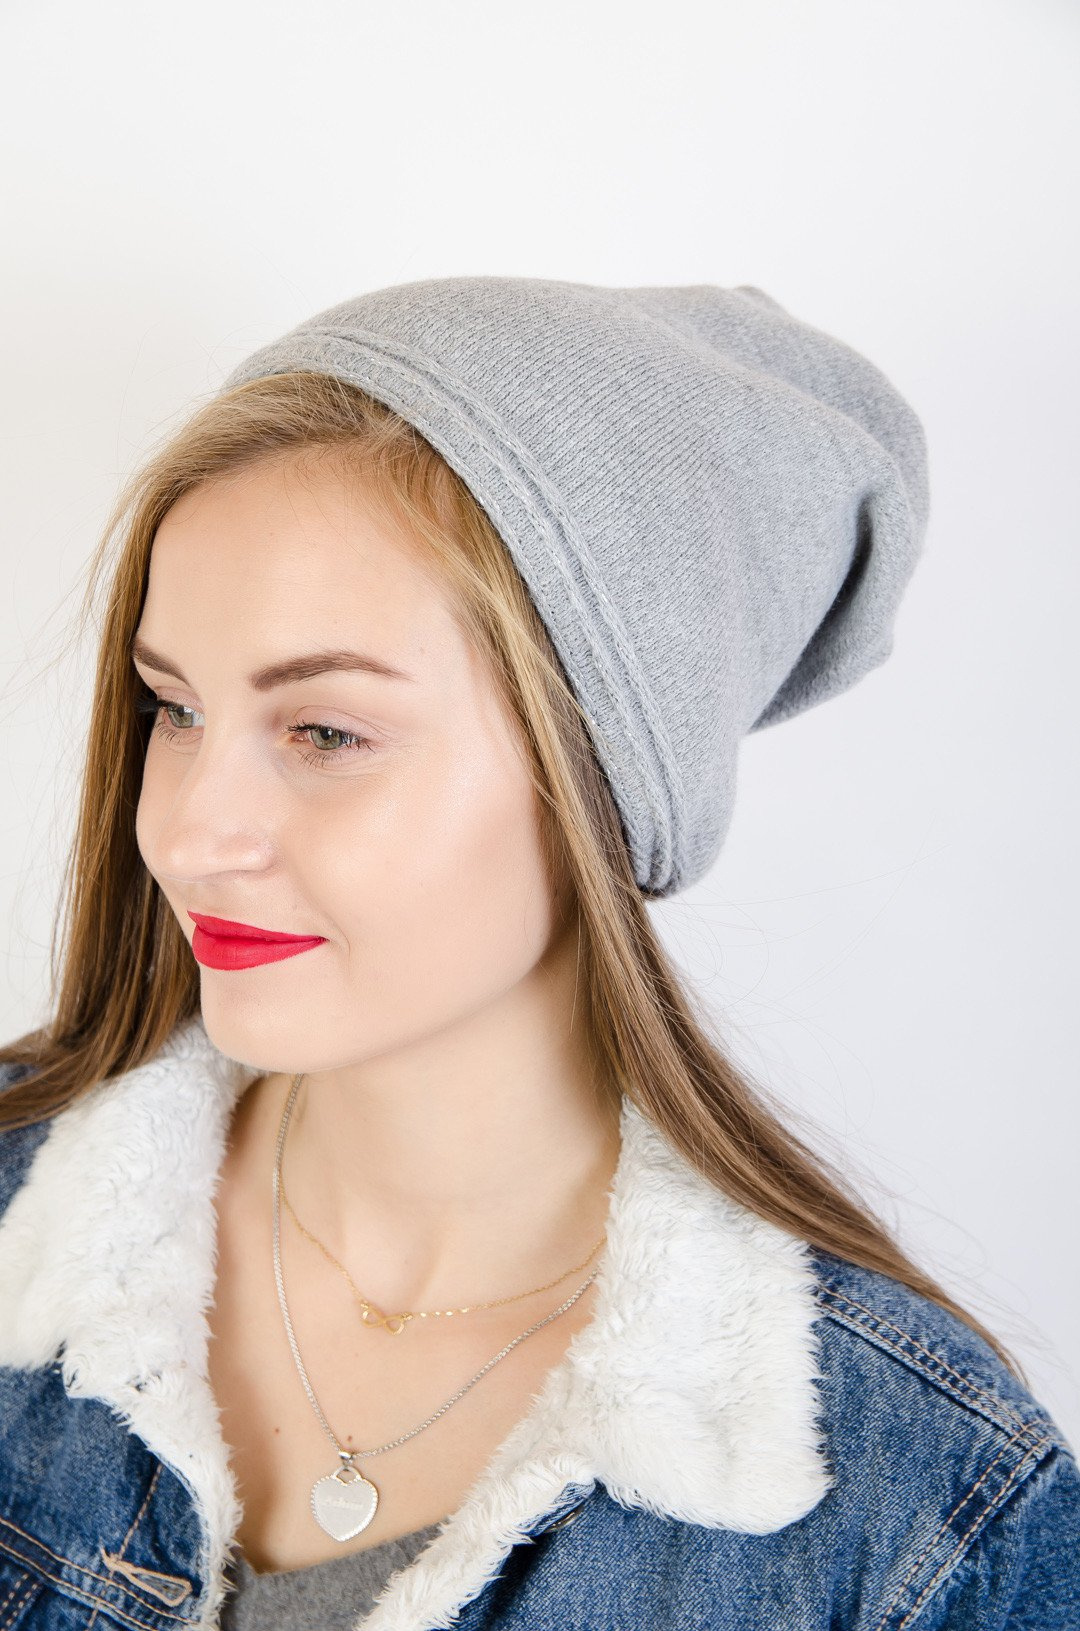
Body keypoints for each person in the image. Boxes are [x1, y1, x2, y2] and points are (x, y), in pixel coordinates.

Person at [0, 276, 1076, 1631]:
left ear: (604, 781)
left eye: (325, 732)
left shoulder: (919, 1516)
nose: (188, 834)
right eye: (174, 708)